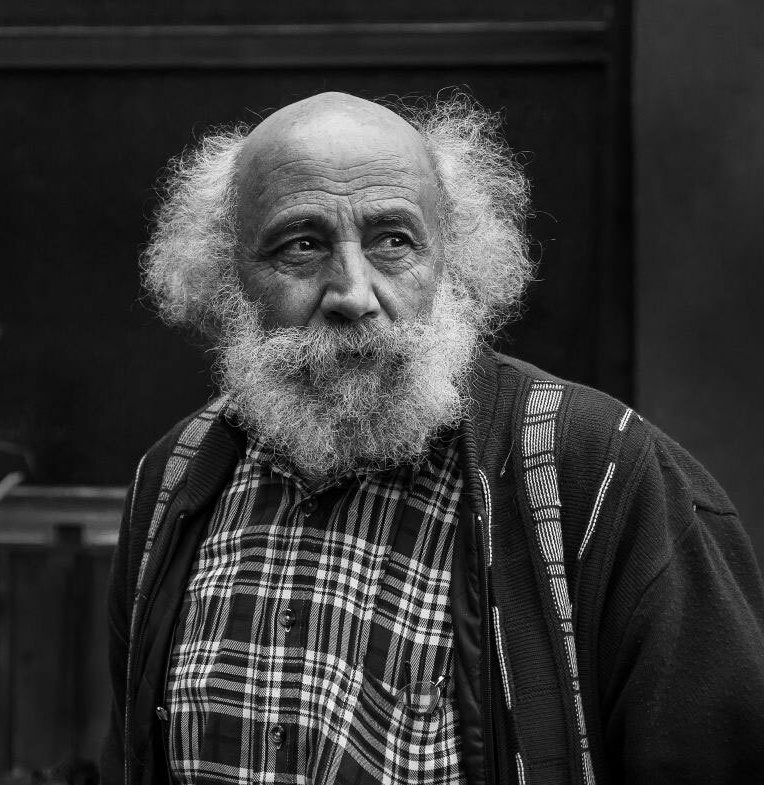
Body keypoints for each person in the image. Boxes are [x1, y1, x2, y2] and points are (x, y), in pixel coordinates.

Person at [99, 91, 764, 785]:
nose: (354, 294)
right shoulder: (174, 478)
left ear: (453, 257)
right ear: (225, 273)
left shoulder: (607, 475)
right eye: (302, 244)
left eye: (393, 240)